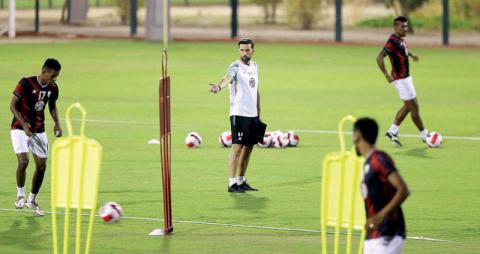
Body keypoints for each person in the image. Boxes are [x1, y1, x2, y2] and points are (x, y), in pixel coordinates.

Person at [10, 58, 63, 216]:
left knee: (41, 166)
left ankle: (32, 200)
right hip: (19, 127)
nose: (54, 79)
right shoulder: (26, 82)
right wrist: (24, 126)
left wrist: (57, 124)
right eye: (52, 76)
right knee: (23, 161)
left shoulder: (53, 88)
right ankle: (20, 194)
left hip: (39, 130)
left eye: (56, 76)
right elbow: (12, 105)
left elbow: (52, 106)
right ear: (44, 71)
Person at [209, 38, 261, 193]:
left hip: (253, 114)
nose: (245, 53)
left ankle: (241, 180)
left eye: (247, 50)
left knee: (249, 147)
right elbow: (228, 78)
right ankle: (232, 183)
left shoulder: (255, 66)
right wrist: (218, 87)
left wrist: (260, 113)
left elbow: (256, 90)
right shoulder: (235, 66)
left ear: (252, 50)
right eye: (242, 50)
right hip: (239, 113)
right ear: (239, 51)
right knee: (237, 147)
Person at [353, 117, 410, 254]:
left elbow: (403, 189)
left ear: (357, 136)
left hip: (388, 235)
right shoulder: (368, 162)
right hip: (373, 235)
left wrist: (380, 216)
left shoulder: (379, 159)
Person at [376, 16, 429, 147]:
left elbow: (400, 51)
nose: (405, 28)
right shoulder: (392, 41)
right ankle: (425, 135)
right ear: (395, 27)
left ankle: (392, 131)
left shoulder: (399, 40)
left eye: (406, 26)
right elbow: (379, 58)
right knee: (414, 108)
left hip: (406, 78)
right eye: (402, 26)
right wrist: (386, 75)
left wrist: (411, 55)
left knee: (408, 106)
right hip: (401, 79)